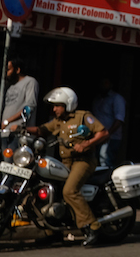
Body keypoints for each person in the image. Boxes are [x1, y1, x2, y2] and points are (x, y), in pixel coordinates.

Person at [27, 87, 109, 247]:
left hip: (83, 161)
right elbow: (42, 130)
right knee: (49, 190)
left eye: (58, 105)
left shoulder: (83, 117)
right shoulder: (58, 121)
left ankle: (93, 227)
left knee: (69, 191)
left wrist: (87, 144)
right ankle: (53, 233)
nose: (54, 109)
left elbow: (103, 133)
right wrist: (19, 128)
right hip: (65, 162)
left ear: (68, 104)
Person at [0, 57, 38, 142]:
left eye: (8, 70)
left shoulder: (30, 82)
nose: (6, 73)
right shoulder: (9, 86)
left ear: (17, 70)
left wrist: (7, 122)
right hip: (5, 132)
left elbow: (29, 108)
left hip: (19, 132)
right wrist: (3, 85)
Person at [90, 77, 126, 168]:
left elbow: (119, 119)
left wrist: (108, 133)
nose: (103, 85)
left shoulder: (117, 99)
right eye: (101, 83)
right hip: (97, 136)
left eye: (106, 82)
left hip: (110, 137)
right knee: (94, 161)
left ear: (111, 84)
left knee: (105, 162)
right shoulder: (97, 99)